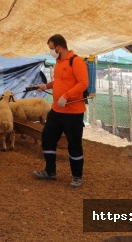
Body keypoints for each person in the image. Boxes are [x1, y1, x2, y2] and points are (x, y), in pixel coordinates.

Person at [32, 34, 89, 188]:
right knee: (47, 138)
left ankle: (77, 176)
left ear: (58, 47)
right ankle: (50, 172)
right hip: (57, 110)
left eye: (51, 48)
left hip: (73, 113)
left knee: (74, 144)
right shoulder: (58, 62)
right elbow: (60, 81)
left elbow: (83, 83)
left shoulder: (76, 61)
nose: (51, 51)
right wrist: (46, 86)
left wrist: (67, 95)